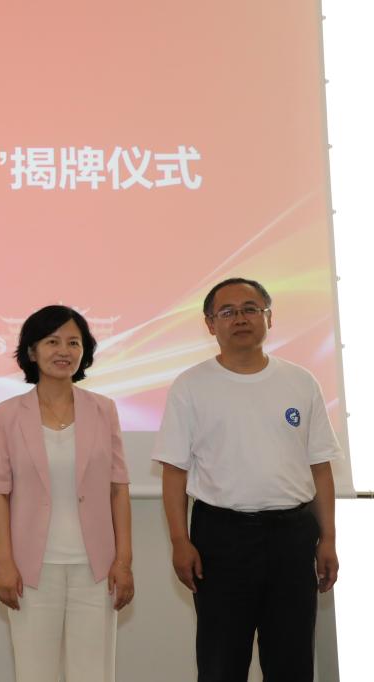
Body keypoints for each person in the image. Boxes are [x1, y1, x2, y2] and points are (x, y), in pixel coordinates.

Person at [154, 277, 340, 682]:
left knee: (292, 662)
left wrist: (328, 538)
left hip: (293, 536)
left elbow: (320, 467)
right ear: (210, 324)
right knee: (221, 663)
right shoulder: (191, 385)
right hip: (221, 538)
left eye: (250, 309)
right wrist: (179, 541)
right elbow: (174, 471)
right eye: (227, 312)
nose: (240, 318)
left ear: (269, 318)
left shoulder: (301, 381)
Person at [0, 305, 133, 682]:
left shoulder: (103, 409)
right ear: (32, 351)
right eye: (52, 342)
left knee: (94, 672)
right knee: (34, 671)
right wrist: (4, 563)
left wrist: (123, 561)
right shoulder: (7, 414)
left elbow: (118, 489)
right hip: (31, 569)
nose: (64, 351)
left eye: (73, 342)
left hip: (97, 568)